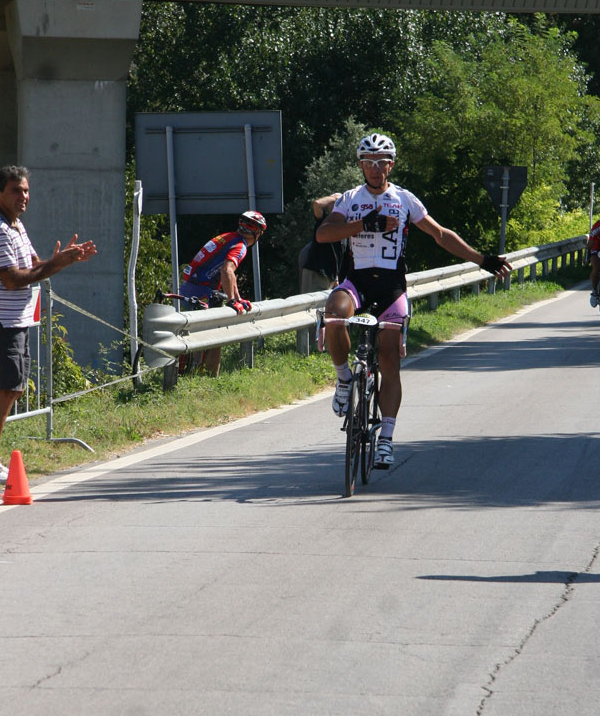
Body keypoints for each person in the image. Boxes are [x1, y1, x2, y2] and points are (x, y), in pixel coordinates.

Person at [315, 133, 511, 469]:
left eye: (382, 162)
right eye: (369, 162)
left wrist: (482, 259)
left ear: (391, 165)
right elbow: (324, 234)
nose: (376, 169)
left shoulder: (404, 199)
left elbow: (439, 234)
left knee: (389, 357)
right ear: (361, 165)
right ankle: (344, 377)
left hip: (391, 288)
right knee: (333, 315)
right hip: (357, 282)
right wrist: (366, 223)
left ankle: (386, 441)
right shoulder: (350, 199)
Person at [0, 165, 97, 486]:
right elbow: (13, 280)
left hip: (15, 320)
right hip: (3, 322)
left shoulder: (15, 226)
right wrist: (53, 265)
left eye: (26, 190)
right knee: (6, 391)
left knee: (11, 390)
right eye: (16, 190)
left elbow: (32, 266)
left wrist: (63, 260)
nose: (23, 196)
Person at [179, 210, 267, 377]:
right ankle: (204, 378)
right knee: (212, 336)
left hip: (191, 285)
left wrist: (238, 298)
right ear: (256, 233)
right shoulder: (240, 245)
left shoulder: (228, 236)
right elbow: (227, 271)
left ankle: (197, 374)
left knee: (205, 335)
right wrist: (233, 301)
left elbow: (229, 275)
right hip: (201, 290)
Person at [298, 195, 346, 294]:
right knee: (311, 307)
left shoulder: (344, 226)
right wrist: (335, 198)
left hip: (331, 278)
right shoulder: (324, 222)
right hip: (317, 274)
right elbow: (317, 204)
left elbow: (339, 255)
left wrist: (336, 277)